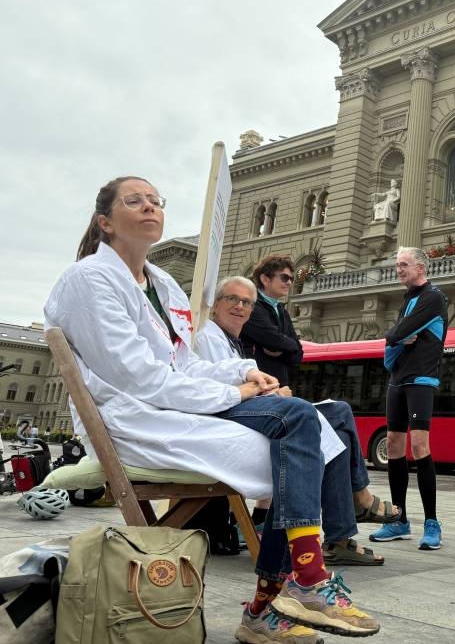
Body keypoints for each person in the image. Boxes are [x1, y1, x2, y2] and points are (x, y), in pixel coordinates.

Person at [45, 177, 379, 643]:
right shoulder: (88, 279)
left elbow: (184, 365)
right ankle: (293, 588)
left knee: (307, 425)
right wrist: (235, 394)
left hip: (177, 408)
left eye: (156, 201)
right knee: (304, 434)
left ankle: (288, 593)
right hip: (131, 418)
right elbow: (137, 377)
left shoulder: (163, 284)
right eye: (134, 200)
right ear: (105, 221)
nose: (149, 207)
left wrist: (242, 376)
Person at [197, 275, 400, 568]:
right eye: (232, 299)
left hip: (254, 405)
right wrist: (269, 390)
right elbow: (218, 383)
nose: (240, 306)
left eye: (247, 302)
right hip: (230, 413)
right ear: (216, 304)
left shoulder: (237, 343)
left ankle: (343, 532)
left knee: (339, 413)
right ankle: (354, 511)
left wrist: (269, 389)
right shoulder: (207, 335)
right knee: (307, 413)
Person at [370, 247, 448, 550]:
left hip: (421, 380)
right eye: (396, 265)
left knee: (419, 445)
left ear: (420, 267)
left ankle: (432, 522)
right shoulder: (407, 300)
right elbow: (391, 346)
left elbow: (395, 334)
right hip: (397, 381)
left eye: (403, 265)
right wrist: (399, 336)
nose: (398, 269)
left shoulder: (433, 297)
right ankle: (399, 520)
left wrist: (398, 336)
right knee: (393, 445)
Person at [241, 254, 302, 386]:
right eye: (284, 277)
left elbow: (299, 355)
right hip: (256, 387)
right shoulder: (252, 306)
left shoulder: (282, 311)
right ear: (265, 279)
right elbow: (273, 340)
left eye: (291, 279)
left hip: (279, 387)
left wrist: (282, 353)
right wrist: (291, 346)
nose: (289, 283)